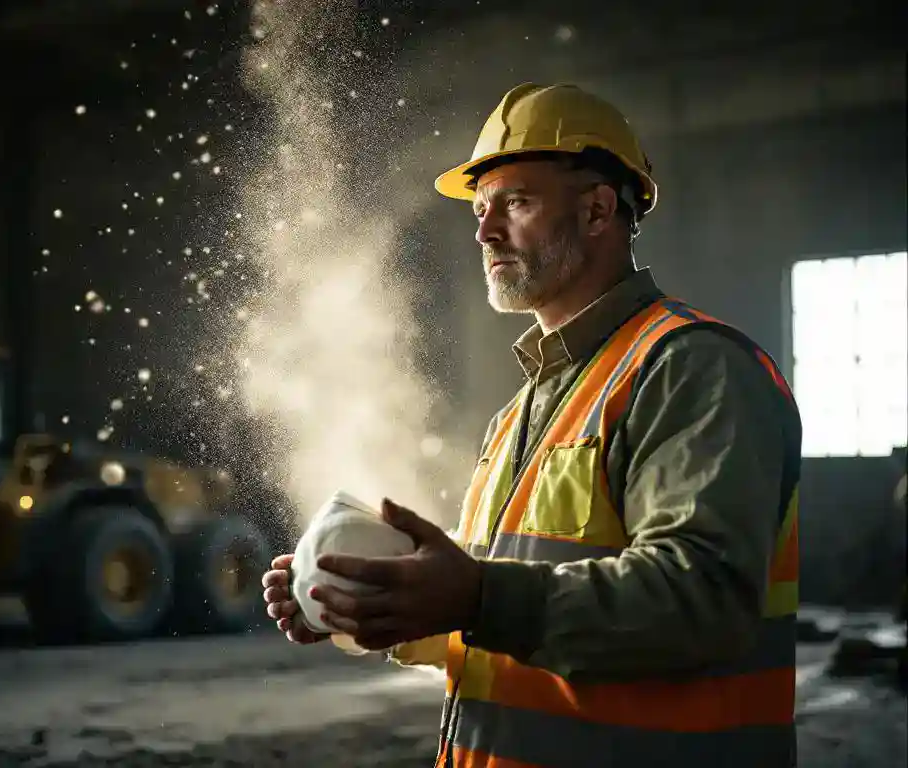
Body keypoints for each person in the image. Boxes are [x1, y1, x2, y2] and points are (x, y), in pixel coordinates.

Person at [262, 82, 802, 767]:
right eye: (480, 211)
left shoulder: (692, 368)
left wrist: (479, 595)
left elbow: (700, 604)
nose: (485, 232)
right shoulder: (523, 410)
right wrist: (382, 608)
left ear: (600, 210)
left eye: (515, 203)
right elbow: (504, 609)